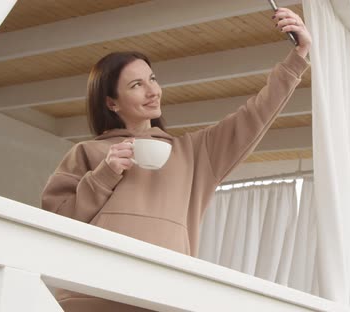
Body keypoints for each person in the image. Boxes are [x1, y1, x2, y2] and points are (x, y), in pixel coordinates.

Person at [41, 7, 311, 312]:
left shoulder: (196, 153)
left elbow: (257, 113)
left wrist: (298, 56)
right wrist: (104, 175)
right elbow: (54, 224)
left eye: (152, 79)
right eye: (137, 85)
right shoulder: (86, 153)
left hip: (165, 295)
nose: (153, 91)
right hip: (89, 296)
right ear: (111, 102)